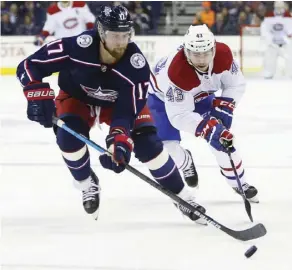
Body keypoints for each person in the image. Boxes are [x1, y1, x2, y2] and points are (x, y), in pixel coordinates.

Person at [16, 5, 206, 224]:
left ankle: (183, 197)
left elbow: (127, 111)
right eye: (115, 35)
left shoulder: (137, 66)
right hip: (77, 97)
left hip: (117, 105)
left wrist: (119, 140)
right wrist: (36, 94)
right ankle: (87, 183)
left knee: (148, 145)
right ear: (101, 32)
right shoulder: (76, 46)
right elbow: (29, 66)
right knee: (67, 138)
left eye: (125, 35)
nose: (121, 42)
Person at [148, 24, 259, 203]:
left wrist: (226, 105)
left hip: (201, 96)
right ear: (186, 51)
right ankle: (185, 161)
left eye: (206, 53)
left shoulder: (223, 56)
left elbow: (235, 84)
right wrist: (205, 128)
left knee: (222, 139)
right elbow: (179, 116)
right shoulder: (177, 72)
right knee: (166, 146)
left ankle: (241, 184)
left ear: (213, 49)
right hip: (161, 98)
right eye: (196, 54)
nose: (201, 59)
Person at [261, 1, 292, 79]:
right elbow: (264, 29)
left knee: (290, 57)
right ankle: (268, 73)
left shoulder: (288, 16)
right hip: (273, 43)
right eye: (277, 7)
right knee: (269, 58)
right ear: (274, 7)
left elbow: (290, 30)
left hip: (285, 43)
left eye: (281, 7)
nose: (279, 9)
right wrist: (270, 39)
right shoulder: (269, 15)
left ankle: (291, 73)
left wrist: (286, 37)